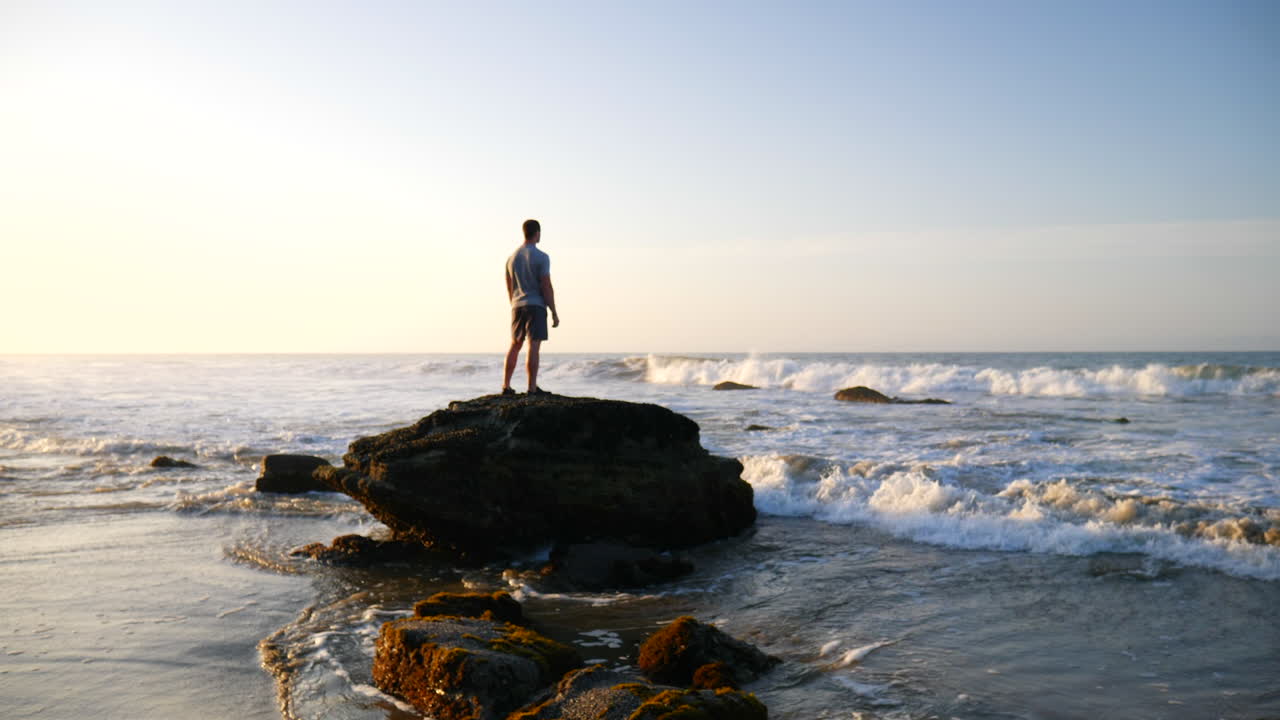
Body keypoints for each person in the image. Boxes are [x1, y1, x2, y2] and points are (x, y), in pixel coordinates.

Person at [502, 218, 559, 394]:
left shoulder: (511, 258)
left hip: (517, 305)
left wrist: (514, 303)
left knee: (515, 344)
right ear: (537, 233)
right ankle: (531, 388)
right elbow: (546, 285)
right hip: (536, 305)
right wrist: (554, 311)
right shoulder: (541, 257)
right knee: (533, 346)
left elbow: (509, 286)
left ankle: (506, 385)